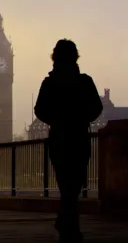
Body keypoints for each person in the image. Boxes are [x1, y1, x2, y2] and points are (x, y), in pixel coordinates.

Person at [34, 39, 103, 242]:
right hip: (79, 138)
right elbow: (97, 107)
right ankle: (70, 229)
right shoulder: (85, 81)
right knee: (74, 187)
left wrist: (56, 120)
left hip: (59, 139)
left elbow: (39, 109)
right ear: (76, 56)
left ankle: (66, 226)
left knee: (66, 186)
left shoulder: (49, 83)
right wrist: (82, 119)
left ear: (54, 57)